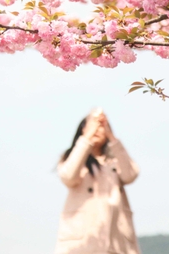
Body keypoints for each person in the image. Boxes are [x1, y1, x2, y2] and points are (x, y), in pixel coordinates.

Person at [55, 108, 141, 254]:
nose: (97, 129)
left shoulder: (115, 159)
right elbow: (68, 176)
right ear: (82, 129)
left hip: (117, 241)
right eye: (92, 124)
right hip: (80, 242)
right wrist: (86, 139)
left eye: (101, 125)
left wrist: (112, 138)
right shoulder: (72, 158)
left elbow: (130, 175)